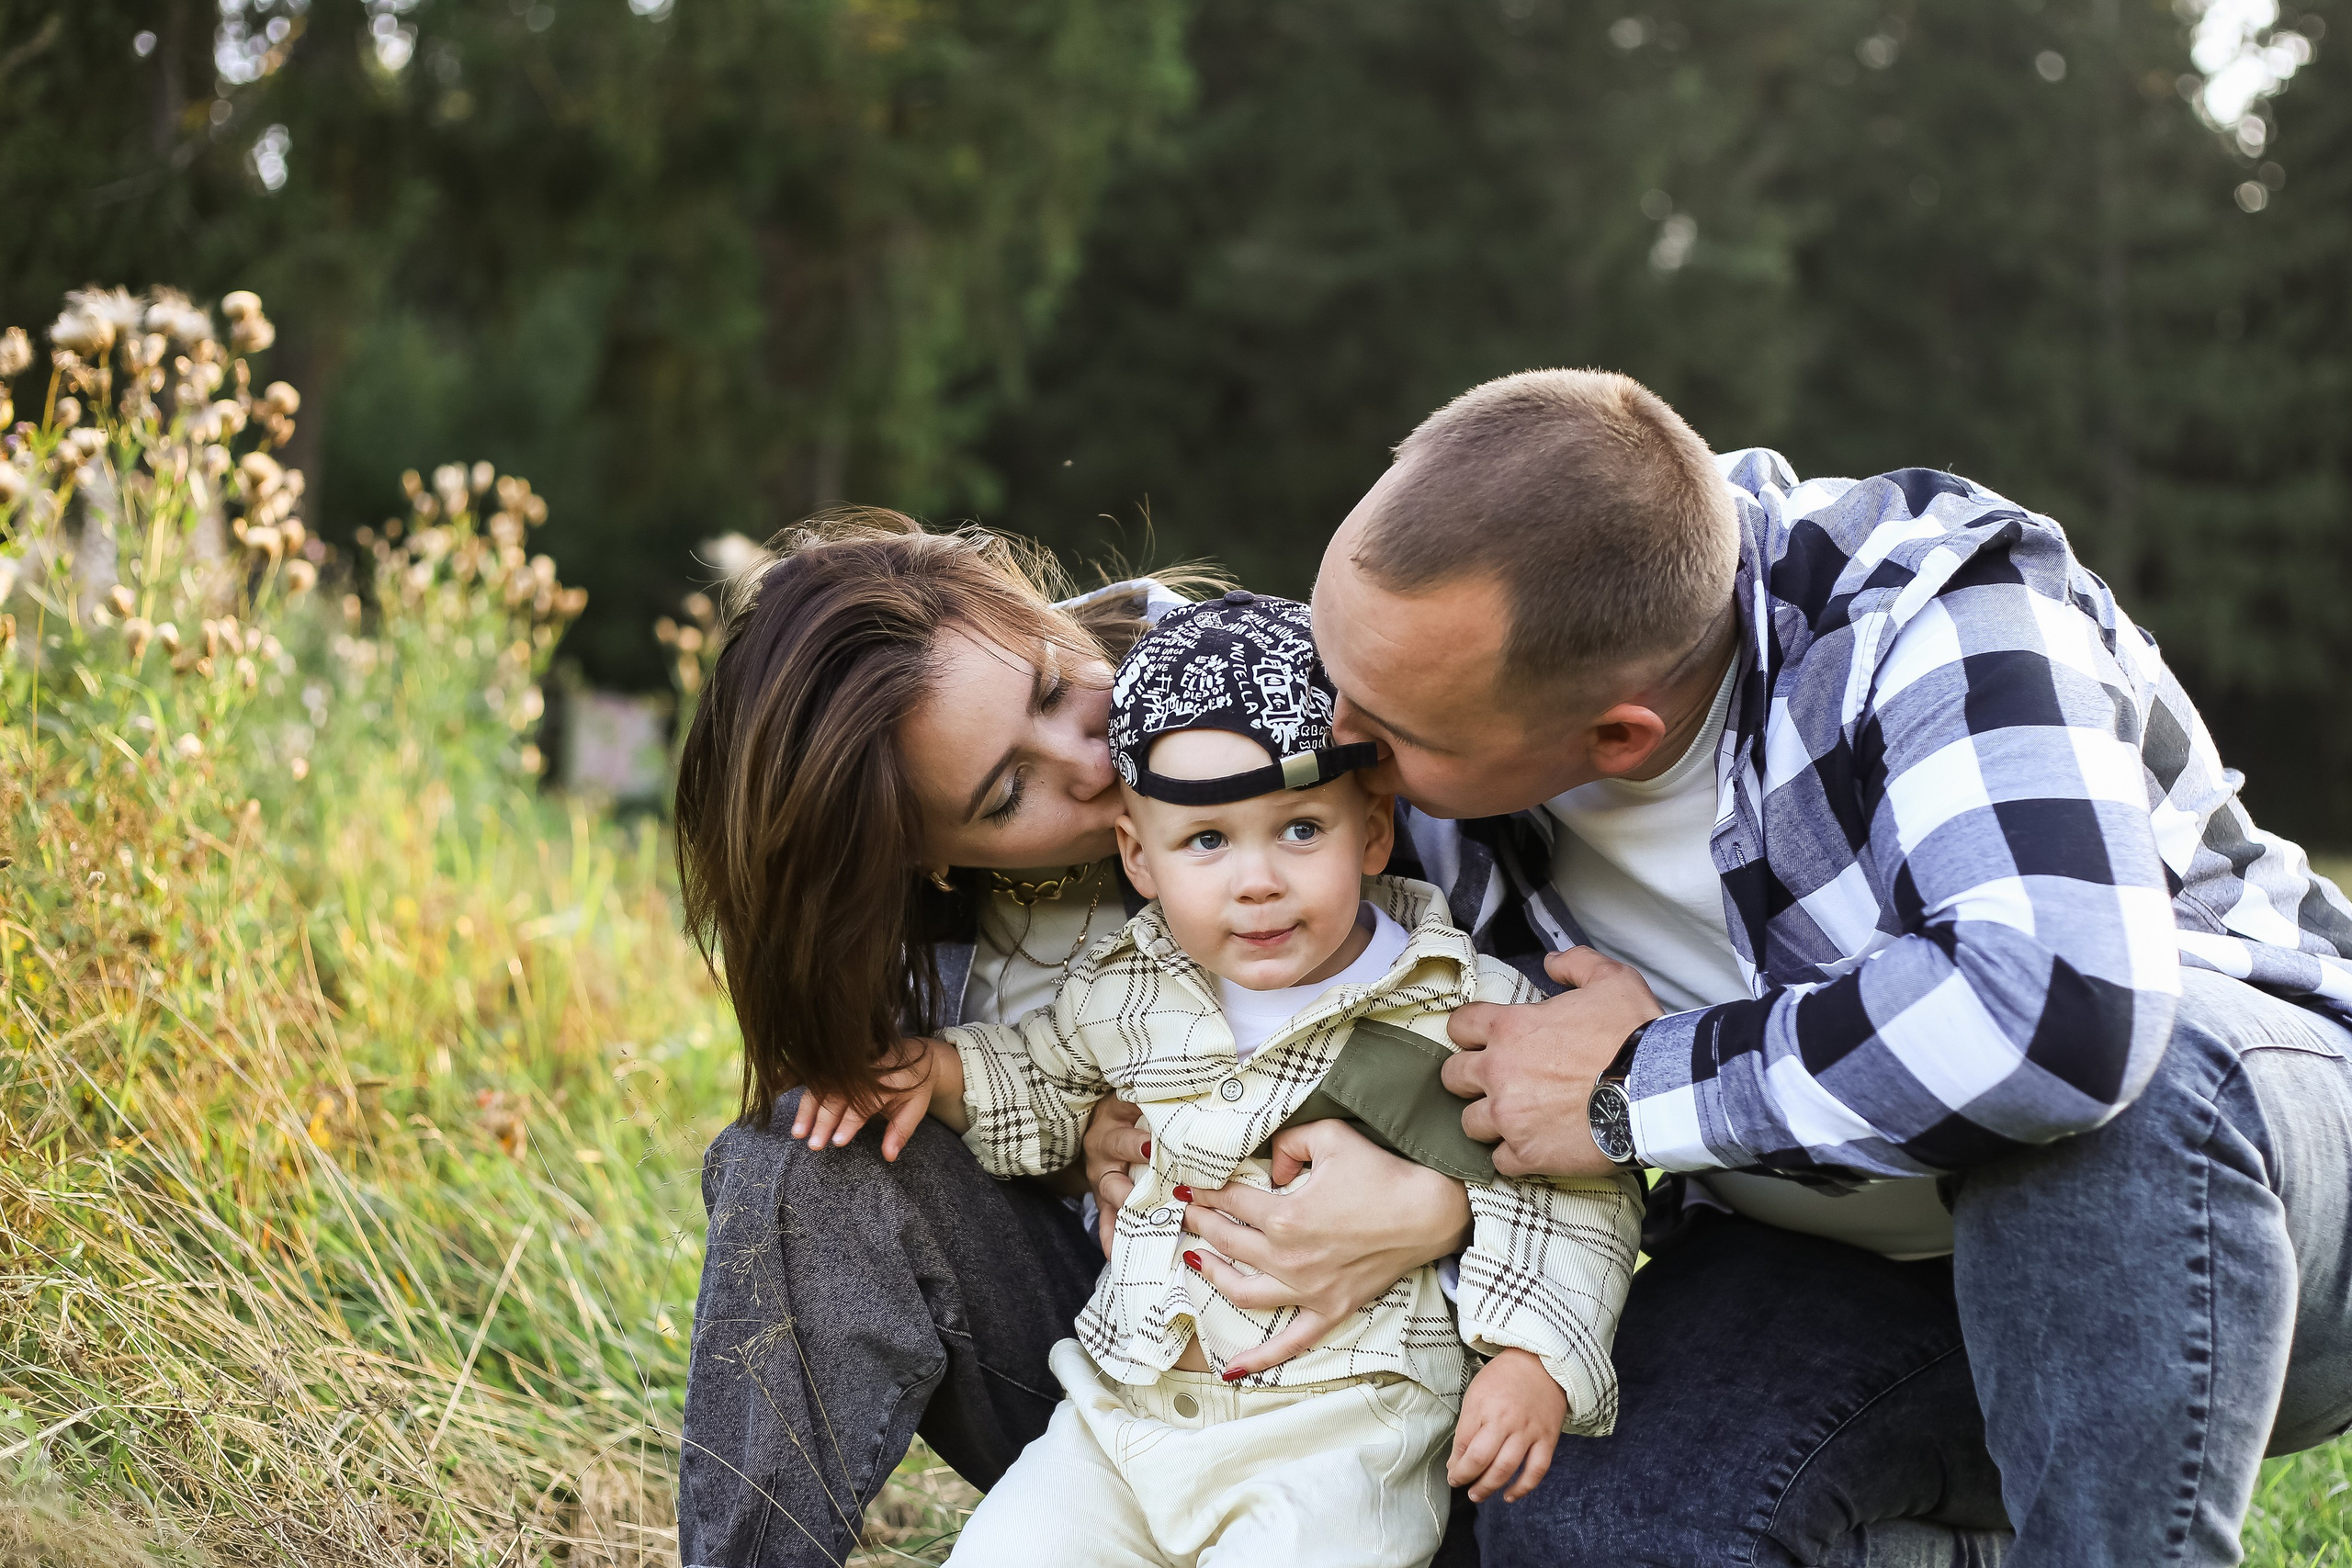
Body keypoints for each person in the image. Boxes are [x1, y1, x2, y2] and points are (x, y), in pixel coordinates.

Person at [1311, 367, 2352, 1567]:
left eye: (1391, 733)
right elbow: (1136, 702)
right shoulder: (1413, 668)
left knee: (2127, 1091)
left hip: (2245, 1208)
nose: (1334, 737)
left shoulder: (1937, 609)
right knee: (1594, 1518)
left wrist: (1630, 1085)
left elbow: (2066, 1012)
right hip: (1855, 1268)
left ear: (1617, 739)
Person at [671, 514, 1490, 1567]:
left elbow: (1558, 1064)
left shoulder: (1282, 707)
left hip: (1394, 1390)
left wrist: (1441, 1199)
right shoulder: (932, 939)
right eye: (1007, 794)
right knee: (801, 1155)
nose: (1091, 759)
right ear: (926, 860)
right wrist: (1081, 1146)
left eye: (1056, 688)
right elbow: (1021, 1110)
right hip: (1122, 1383)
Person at [797, 592, 1643, 1567]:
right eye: (1206, 841)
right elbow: (1042, 1079)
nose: (1256, 881)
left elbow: (1575, 1193)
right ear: (1139, 858)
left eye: (1297, 830)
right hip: (1121, 1416)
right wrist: (937, 1073)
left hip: (1337, 1440)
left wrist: (1535, 1359)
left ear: (1371, 833)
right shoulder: (1129, 988)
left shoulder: (1462, 1006)